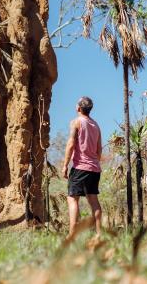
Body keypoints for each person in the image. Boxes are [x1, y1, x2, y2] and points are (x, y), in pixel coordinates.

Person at [61, 96, 102, 238]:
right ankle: (99, 234)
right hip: (94, 169)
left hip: (80, 167)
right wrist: (94, 161)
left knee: (73, 199)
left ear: (78, 108)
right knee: (94, 201)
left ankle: (72, 235)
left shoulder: (76, 122)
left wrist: (65, 165)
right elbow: (99, 150)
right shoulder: (96, 125)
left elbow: (71, 144)